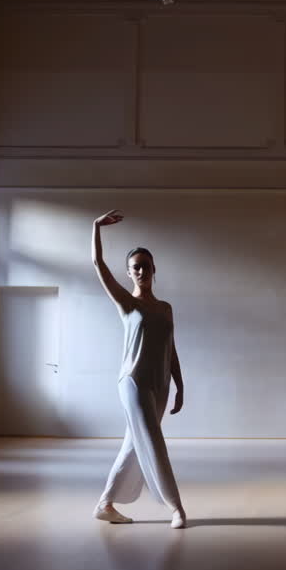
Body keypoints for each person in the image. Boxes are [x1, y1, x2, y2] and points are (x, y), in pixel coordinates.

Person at [90, 209, 187, 528]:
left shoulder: (165, 308)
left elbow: (170, 347)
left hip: (159, 384)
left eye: (146, 266)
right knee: (154, 442)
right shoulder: (127, 303)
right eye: (136, 267)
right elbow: (98, 266)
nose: (141, 271)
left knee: (134, 445)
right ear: (129, 272)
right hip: (132, 382)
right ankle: (176, 506)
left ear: (154, 268)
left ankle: (105, 504)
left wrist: (180, 384)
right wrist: (96, 228)